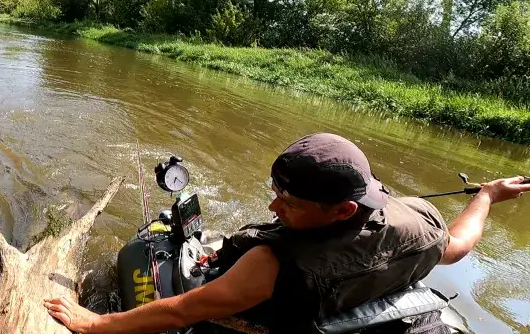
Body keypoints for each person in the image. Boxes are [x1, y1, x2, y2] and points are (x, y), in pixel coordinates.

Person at [43, 133, 530, 334]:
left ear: (342, 209)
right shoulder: (422, 222)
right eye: (276, 192)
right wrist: (485, 196)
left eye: (290, 203)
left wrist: (93, 324)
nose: (274, 207)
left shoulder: (272, 262)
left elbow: (190, 307)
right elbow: (459, 245)